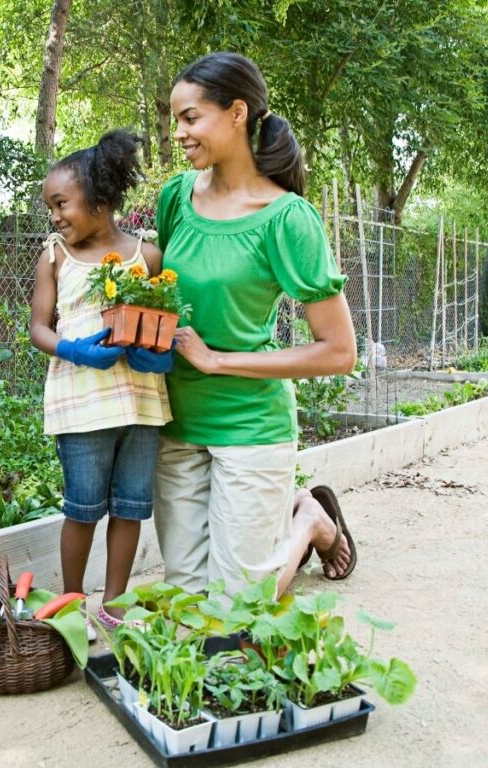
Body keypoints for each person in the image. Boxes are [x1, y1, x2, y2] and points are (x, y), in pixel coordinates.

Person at [153, 52, 359, 599]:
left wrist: (218, 360)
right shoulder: (175, 198)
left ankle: (310, 521)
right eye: (177, 119)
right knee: (187, 597)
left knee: (242, 603)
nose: (179, 132)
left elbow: (339, 352)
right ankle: (306, 517)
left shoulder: (287, 218)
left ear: (237, 113)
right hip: (176, 420)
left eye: (191, 117)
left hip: (249, 424)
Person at [29, 130, 175, 633]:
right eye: (51, 206)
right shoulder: (55, 256)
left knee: (130, 507)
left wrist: (156, 353)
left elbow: (162, 318)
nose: (55, 216)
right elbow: (38, 327)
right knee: (83, 509)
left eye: (62, 203)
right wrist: (72, 349)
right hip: (81, 404)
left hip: (139, 404)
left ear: (100, 198)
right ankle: (72, 605)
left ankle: (114, 603)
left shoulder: (147, 257)